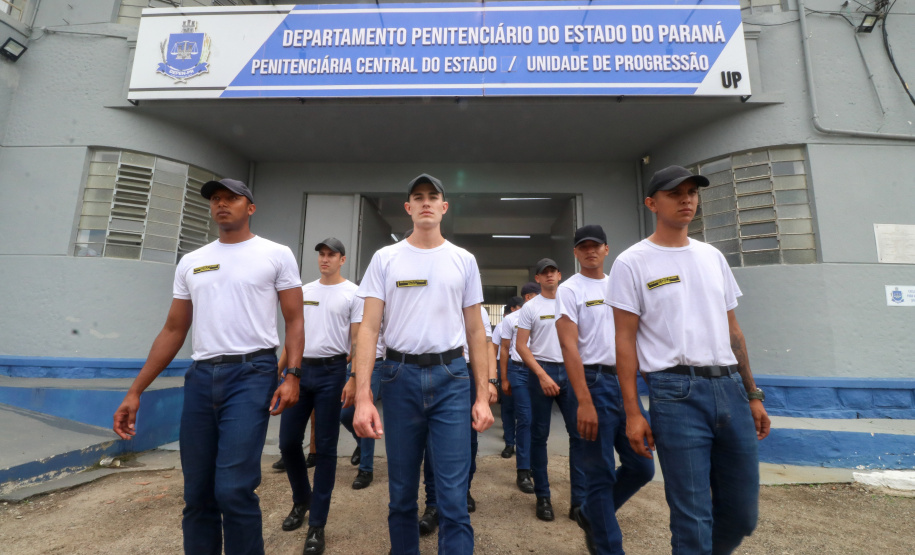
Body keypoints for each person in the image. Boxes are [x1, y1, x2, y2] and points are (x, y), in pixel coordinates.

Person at [112, 178, 304, 555]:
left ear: (250, 207)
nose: (221, 204)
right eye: (216, 199)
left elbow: (295, 320)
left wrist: (292, 374)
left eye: (231, 198)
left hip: (252, 374)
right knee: (198, 492)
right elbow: (173, 328)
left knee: (233, 488)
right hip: (201, 378)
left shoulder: (275, 254)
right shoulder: (192, 260)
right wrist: (135, 391)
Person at [608, 165, 771, 555]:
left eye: (692, 192)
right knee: (692, 516)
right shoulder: (633, 262)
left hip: (730, 388)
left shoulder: (712, 257)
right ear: (652, 203)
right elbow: (624, 342)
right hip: (674, 392)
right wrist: (633, 412)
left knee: (742, 515)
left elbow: (734, 331)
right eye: (674, 193)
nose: (686, 199)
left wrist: (752, 392)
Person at [352, 173, 494, 555]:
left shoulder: (463, 260)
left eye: (434, 197)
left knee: (452, 498)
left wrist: (482, 394)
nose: (426, 202)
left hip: (452, 379)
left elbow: (476, 331)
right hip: (399, 378)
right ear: (408, 208)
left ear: (444, 207)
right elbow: (368, 328)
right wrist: (364, 395)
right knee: (401, 494)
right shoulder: (386, 258)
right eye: (419, 197)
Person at [556, 224, 655, 554]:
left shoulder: (622, 286)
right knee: (598, 474)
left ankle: (591, 513)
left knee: (642, 466)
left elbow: (640, 338)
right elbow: (569, 348)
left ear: (606, 249)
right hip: (592, 383)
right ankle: (608, 546)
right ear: (576, 252)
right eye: (583, 246)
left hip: (624, 383)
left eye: (595, 245)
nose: (590, 251)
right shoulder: (570, 290)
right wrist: (583, 399)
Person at [277, 237, 363, 554]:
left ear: (342, 259)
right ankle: (302, 499)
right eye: (321, 255)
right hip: (300, 372)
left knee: (326, 449)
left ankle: (317, 525)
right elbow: (293, 335)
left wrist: (353, 377)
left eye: (331, 255)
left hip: (332, 373)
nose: (324, 259)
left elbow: (357, 339)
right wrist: (281, 371)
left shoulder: (353, 293)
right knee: (287, 443)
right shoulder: (304, 291)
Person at [516, 259, 586, 522]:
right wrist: (542, 375)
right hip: (542, 373)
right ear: (538, 278)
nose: (548, 277)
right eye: (543, 274)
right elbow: (522, 346)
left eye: (552, 272)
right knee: (538, 436)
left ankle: (578, 502)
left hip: (571, 371)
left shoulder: (571, 300)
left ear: (559, 275)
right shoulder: (530, 307)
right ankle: (543, 497)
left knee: (579, 436)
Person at [418, 305, 498, 535]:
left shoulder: (479, 311)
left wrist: (491, 381)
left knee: (468, 438)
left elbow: (486, 345)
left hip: (471, 371)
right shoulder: (436, 300)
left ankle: (464, 490)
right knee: (432, 441)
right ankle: (433, 504)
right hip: (439, 369)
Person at [500, 283, 540, 494]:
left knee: (538, 420)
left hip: (541, 371)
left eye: (537, 295)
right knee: (524, 418)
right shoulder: (511, 319)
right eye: (531, 296)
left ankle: (536, 465)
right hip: (519, 372)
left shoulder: (550, 314)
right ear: (525, 297)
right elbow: (505, 349)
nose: (534, 299)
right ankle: (523, 470)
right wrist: (504, 378)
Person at [340, 331, 386, 489]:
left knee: (367, 416)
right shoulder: (356, 305)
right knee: (344, 413)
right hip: (354, 364)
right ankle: (361, 444)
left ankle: (366, 469)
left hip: (376, 362)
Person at [493, 297, 523, 459]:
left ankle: (523, 444)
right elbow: (495, 348)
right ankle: (509, 443)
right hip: (506, 364)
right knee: (508, 406)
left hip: (525, 366)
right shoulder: (501, 325)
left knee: (524, 409)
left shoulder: (532, 321)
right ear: (513, 308)